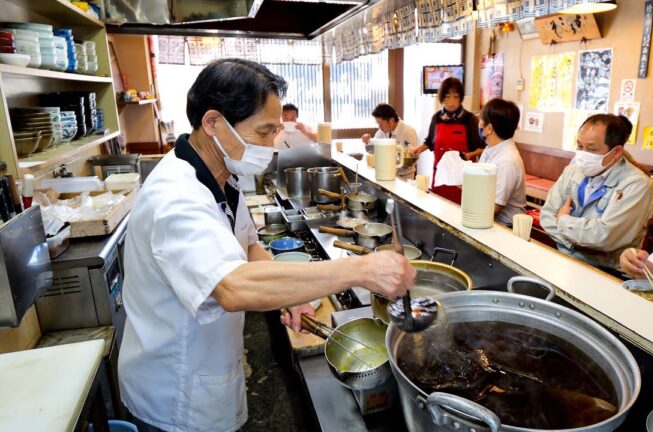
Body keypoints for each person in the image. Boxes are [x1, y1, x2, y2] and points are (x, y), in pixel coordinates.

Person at [118, 59, 415, 432]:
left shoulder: (221, 176)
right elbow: (232, 287)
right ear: (213, 123)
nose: (272, 145)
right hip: (174, 392)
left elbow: (250, 247)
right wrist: (360, 268)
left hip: (206, 367)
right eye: (263, 131)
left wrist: (290, 295)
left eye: (275, 131)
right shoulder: (176, 197)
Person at [540, 114, 653, 273]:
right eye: (580, 146)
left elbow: (604, 236)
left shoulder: (637, 184)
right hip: (564, 258)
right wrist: (574, 243)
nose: (582, 154)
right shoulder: (572, 171)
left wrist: (563, 220)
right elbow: (546, 215)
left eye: (591, 149)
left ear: (616, 152)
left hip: (606, 271)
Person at [411, 77, 485, 204]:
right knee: (439, 207)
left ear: (461, 98)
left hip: (462, 178)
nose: (451, 102)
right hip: (440, 175)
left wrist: (469, 155)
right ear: (441, 98)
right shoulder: (436, 118)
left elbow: (482, 148)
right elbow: (430, 142)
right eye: (447, 97)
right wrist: (418, 150)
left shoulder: (470, 119)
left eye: (455, 97)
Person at [477, 98, 527, 225]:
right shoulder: (490, 149)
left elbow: (495, 206)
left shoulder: (507, 160)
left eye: (481, 120)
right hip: (489, 220)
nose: (479, 124)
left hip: (507, 226)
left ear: (489, 128)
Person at [362, 103, 420, 180]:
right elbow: (373, 150)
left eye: (381, 124)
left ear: (391, 120)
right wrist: (367, 142)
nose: (380, 127)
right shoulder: (382, 131)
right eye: (378, 124)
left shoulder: (408, 131)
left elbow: (412, 158)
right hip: (387, 173)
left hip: (404, 176)